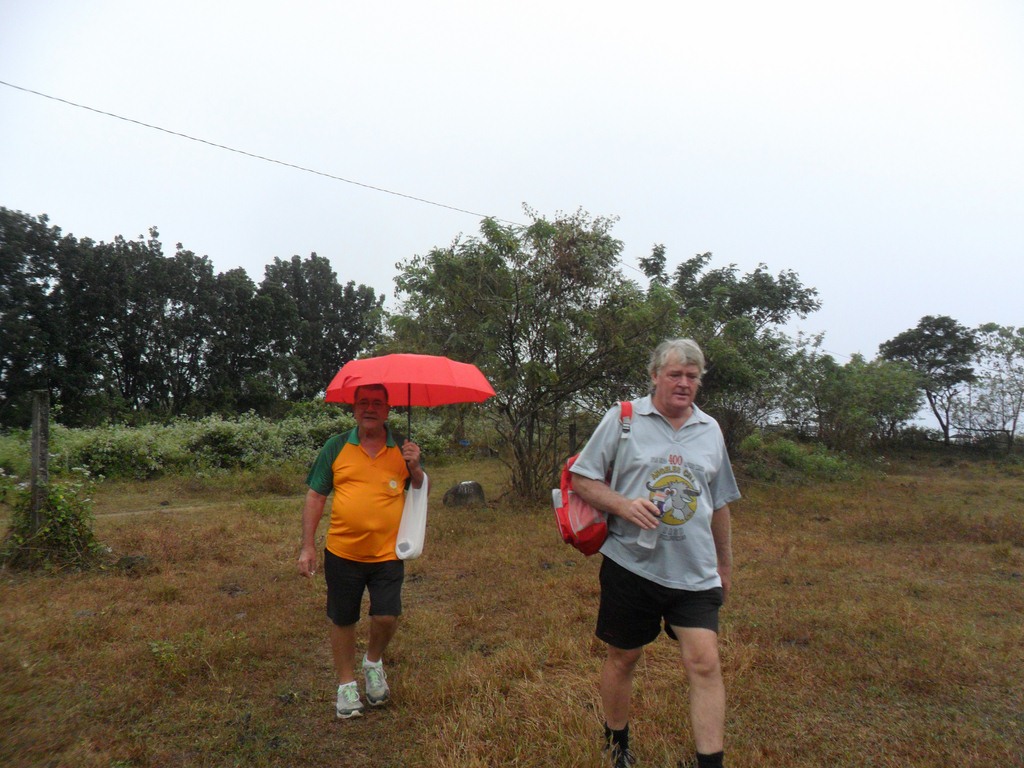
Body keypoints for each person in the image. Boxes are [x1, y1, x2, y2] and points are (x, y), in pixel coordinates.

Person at [570, 339, 739, 768]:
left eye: (692, 376)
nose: (684, 383)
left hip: (695, 570)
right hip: (631, 564)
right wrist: (624, 505)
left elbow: (720, 502)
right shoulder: (624, 419)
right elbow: (582, 480)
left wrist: (724, 565)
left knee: (705, 663)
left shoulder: (710, 429)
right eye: (675, 374)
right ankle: (617, 747)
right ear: (655, 376)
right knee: (624, 657)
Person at [297, 383, 425, 719]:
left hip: (389, 554)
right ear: (354, 409)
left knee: (387, 616)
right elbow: (316, 496)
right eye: (363, 402)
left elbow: (420, 490)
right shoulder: (336, 446)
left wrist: (415, 467)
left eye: (377, 403)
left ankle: (372, 663)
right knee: (343, 619)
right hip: (343, 553)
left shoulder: (404, 448)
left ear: (388, 410)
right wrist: (308, 546)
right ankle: (346, 685)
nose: (370, 408)